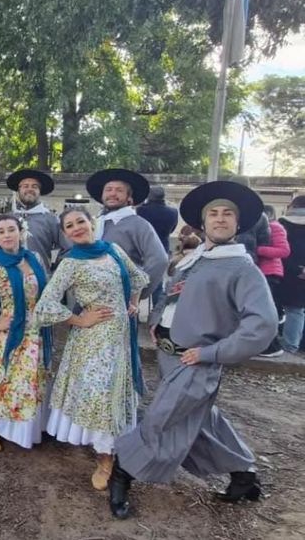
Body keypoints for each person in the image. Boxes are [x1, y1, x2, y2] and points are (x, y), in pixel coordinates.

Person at [109, 181, 278, 520]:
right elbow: (173, 291)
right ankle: (244, 476)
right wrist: (157, 320)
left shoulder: (243, 269)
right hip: (171, 356)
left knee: (161, 419)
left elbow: (262, 325)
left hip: (197, 361)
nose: (219, 219)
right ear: (203, 223)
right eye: (213, 214)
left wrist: (212, 353)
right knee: (200, 420)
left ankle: (121, 474)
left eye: (227, 214)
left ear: (237, 222)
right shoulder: (196, 259)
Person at [34, 208, 148, 490]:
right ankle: (105, 459)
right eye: (69, 226)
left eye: (80, 222)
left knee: (118, 391)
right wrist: (79, 319)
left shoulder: (113, 250)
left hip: (122, 337)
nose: (76, 228)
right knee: (100, 396)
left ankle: (119, 445)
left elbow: (138, 278)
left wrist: (132, 302)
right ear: (65, 233)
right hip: (93, 341)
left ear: (91, 223)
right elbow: (45, 305)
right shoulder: (70, 262)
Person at [0, 215, 52, 452]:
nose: (7, 235)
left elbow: (46, 291)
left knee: (30, 382)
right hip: (11, 333)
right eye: (1, 231)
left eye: (11, 230)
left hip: (37, 330)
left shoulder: (34, 258)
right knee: (4, 381)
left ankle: (25, 430)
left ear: (21, 233)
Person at [85, 169, 168, 300]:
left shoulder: (138, 224)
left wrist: (138, 292)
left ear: (129, 197)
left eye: (119, 190)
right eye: (108, 189)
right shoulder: (95, 223)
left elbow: (159, 260)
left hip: (120, 300)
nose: (112, 193)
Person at [7, 168, 68, 269]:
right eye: (25, 186)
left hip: (40, 276)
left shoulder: (51, 219)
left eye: (34, 186)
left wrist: (56, 269)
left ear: (39, 191)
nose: (29, 189)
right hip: (9, 276)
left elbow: (67, 248)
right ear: (19, 190)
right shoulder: (8, 218)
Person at [257, 204, 290, 358]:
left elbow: (284, 250)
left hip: (270, 272)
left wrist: (258, 249)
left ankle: (272, 346)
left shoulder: (276, 228)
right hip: (260, 272)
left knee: (268, 311)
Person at [277, 196, 305, 354]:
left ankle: (280, 343)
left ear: (291, 206)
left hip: (282, 270)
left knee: (276, 308)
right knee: (297, 310)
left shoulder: (281, 224)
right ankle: (293, 344)